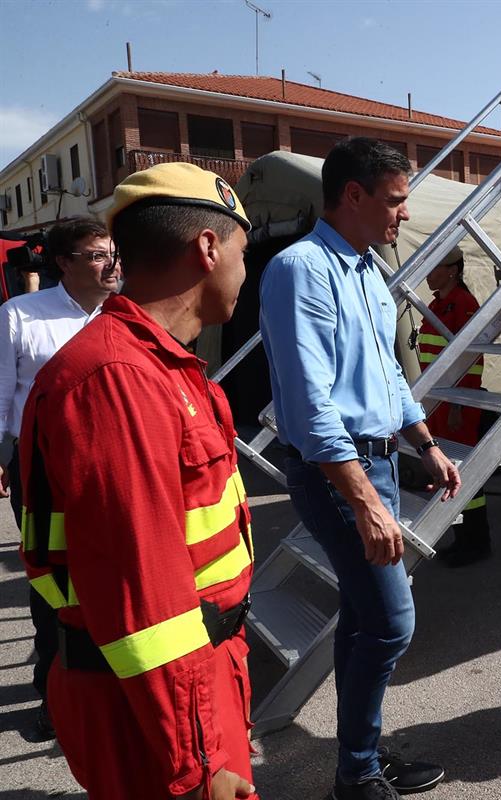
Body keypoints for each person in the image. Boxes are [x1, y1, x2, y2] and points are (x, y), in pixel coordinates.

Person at [19, 162, 257, 799]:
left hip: (187, 686)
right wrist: (198, 758)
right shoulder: (119, 380)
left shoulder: (165, 368)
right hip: (153, 710)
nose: (244, 268)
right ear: (207, 248)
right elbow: (144, 603)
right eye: (242, 248)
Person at [259, 136, 460, 800]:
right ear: (354, 195)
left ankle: (360, 756)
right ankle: (356, 772)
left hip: (378, 465)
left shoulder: (369, 270)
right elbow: (311, 401)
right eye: (396, 201)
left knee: (365, 617)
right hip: (337, 474)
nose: (404, 215)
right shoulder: (301, 269)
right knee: (391, 622)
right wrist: (366, 501)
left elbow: (389, 377)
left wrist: (424, 441)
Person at [0, 215, 120, 740]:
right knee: (53, 579)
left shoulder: (125, 317)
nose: (111, 263)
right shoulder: (20, 316)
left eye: (113, 252)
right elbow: (2, 394)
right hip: (43, 469)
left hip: (112, 466)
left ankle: (107, 681)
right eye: (97, 255)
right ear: (62, 263)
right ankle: (53, 688)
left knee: (111, 573)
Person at [416, 245, 492, 567]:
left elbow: (472, 360)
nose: (429, 274)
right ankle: (461, 538)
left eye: (435, 267)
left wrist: (460, 403)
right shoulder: (437, 305)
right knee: (449, 471)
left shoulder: (464, 304)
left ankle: (476, 542)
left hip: (457, 403)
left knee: (464, 473)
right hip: (440, 402)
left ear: (452, 270)